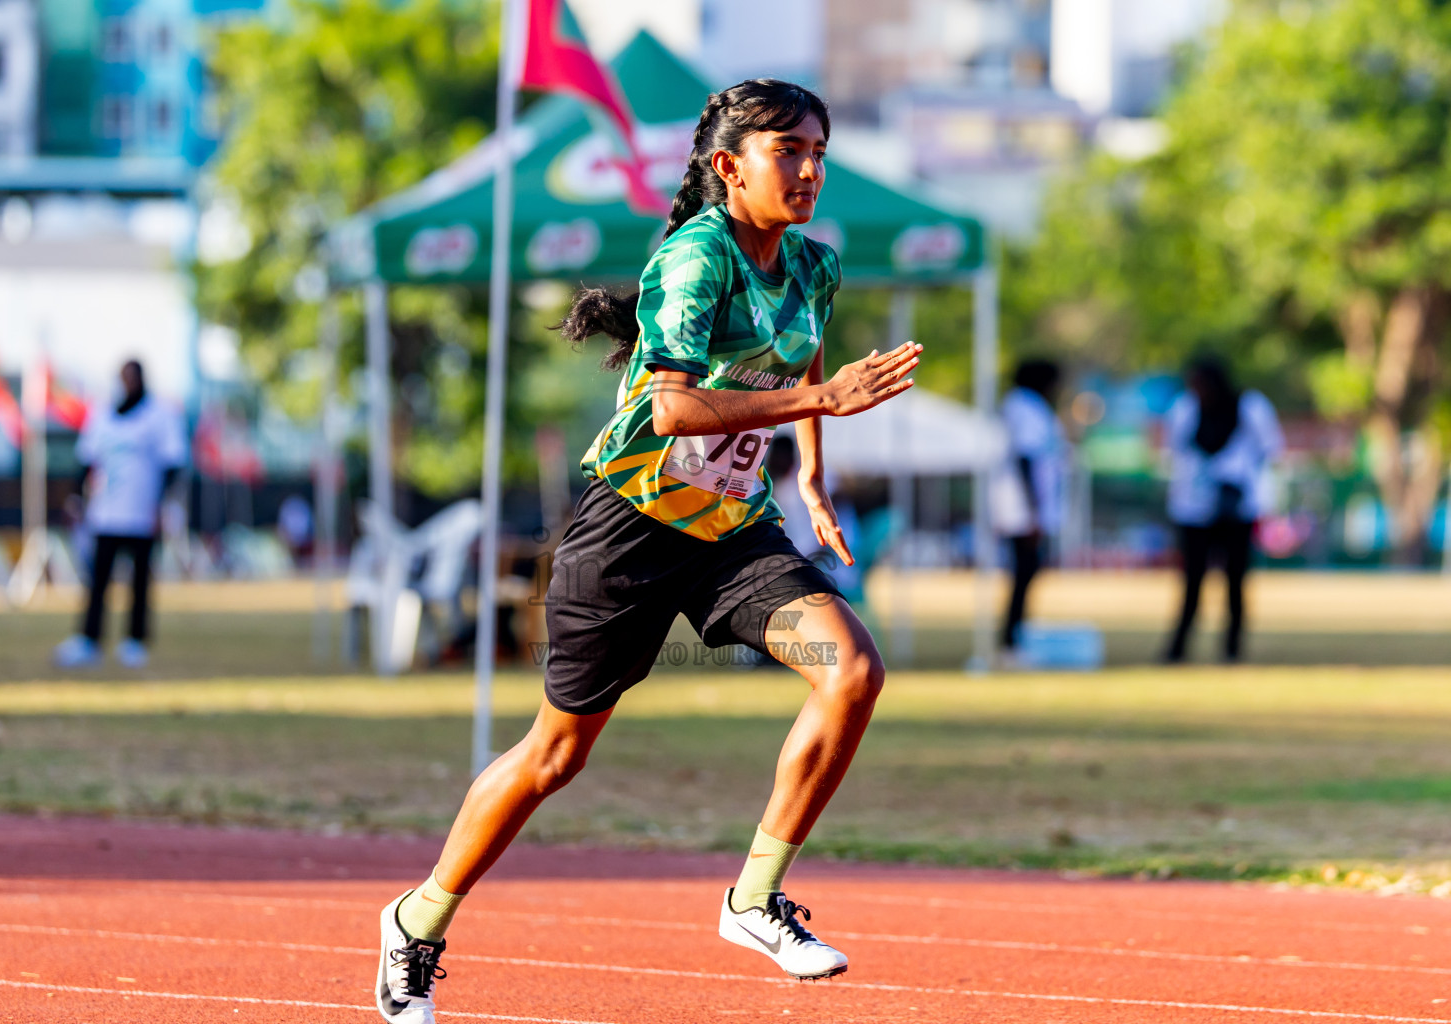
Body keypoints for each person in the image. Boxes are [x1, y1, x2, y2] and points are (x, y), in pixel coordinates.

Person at [376, 79, 923, 1023]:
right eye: (787, 151)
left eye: (819, 152)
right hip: (626, 528)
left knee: (851, 671)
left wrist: (816, 478)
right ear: (728, 166)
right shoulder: (694, 257)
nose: (809, 169)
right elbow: (670, 409)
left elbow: (806, 367)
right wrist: (820, 406)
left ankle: (753, 900)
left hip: (731, 532)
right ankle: (416, 923)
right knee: (555, 757)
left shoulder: (815, 266)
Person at [54, 360, 186, 669]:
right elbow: (86, 459)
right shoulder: (102, 415)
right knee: (98, 580)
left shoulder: (160, 415)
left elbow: (173, 463)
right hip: (106, 513)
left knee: (140, 581)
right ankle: (89, 640)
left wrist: (162, 505)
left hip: (142, 515)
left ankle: (135, 641)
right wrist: (77, 499)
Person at [1162, 356, 1283, 663]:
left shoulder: (1250, 407)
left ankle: (1232, 648)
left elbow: (1271, 450)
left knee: (1235, 581)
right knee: (1192, 580)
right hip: (1194, 508)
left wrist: (1246, 484)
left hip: (1237, 509)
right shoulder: (1185, 409)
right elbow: (1174, 450)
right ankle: (1178, 647)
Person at [994, 358, 1068, 662]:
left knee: (1025, 573)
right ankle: (1011, 641)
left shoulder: (1022, 406)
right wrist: (1034, 511)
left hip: (1024, 507)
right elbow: (1025, 459)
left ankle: (1015, 637)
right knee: (1024, 572)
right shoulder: (1027, 408)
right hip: (1023, 509)